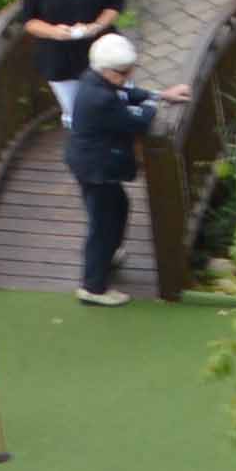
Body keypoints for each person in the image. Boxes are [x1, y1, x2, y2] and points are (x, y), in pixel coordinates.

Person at [60, 32, 161, 308]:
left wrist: (158, 94)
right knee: (102, 224)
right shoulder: (100, 99)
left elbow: (127, 93)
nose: (129, 76)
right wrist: (153, 104)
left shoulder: (93, 79)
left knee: (118, 207)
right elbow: (138, 121)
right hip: (95, 167)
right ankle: (92, 287)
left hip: (89, 161)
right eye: (124, 72)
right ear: (108, 71)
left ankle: (109, 255)